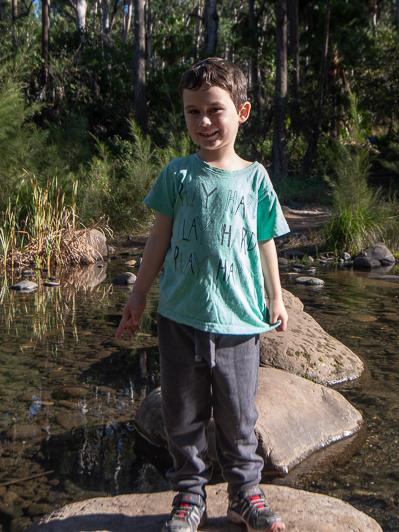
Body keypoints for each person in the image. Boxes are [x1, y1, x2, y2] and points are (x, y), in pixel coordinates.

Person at [116, 57, 290, 532]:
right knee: (182, 414)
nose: (205, 122)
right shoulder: (178, 174)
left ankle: (244, 495)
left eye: (215, 110)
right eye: (193, 112)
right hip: (179, 317)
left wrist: (277, 297)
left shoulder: (255, 179)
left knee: (238, 416)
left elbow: (265, 241)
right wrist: (137, 297)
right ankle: (189, 497)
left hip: (238, 321)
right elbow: (158, 240)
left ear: (243, 111)